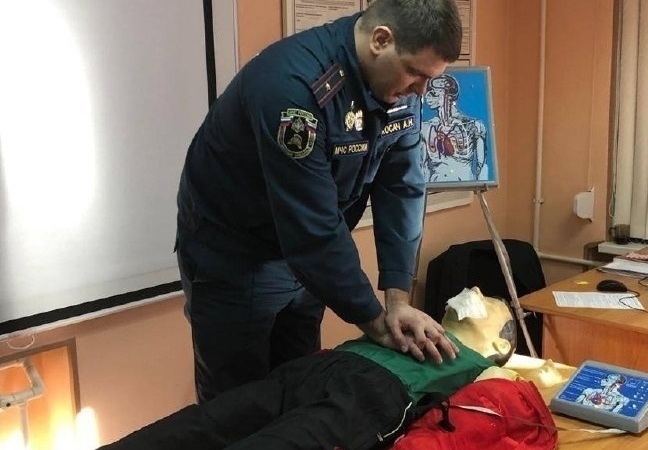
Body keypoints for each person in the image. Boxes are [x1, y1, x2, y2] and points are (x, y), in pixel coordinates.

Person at [175, 0, 464, 403]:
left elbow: (402, 187)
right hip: (235, 257)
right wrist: (376, 324)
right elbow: (311, 226)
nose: (421, 90)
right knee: (236, 406)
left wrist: (398, 299)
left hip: (308, 262)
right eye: (417, 74)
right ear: (381, 40)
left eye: (430, 79)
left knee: (300, 387)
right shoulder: (293, 90)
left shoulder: (400, 87)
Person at [99, 288, 517, 450]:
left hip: (374, 393)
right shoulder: (415, 322)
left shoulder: (482, 365)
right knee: (200, 425)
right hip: (314, 368)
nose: (476, 290)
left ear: (500, 344)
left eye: (491, 302)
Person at [421, 73, 488, 182]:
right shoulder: (425, 128)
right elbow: (424, 168)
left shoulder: (475, 126)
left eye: (434, 93)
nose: (428, 96)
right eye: (428, 92)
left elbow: (482, 166)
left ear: (448, 95)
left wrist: (480, 186)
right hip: (435, 188)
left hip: (465, 186)